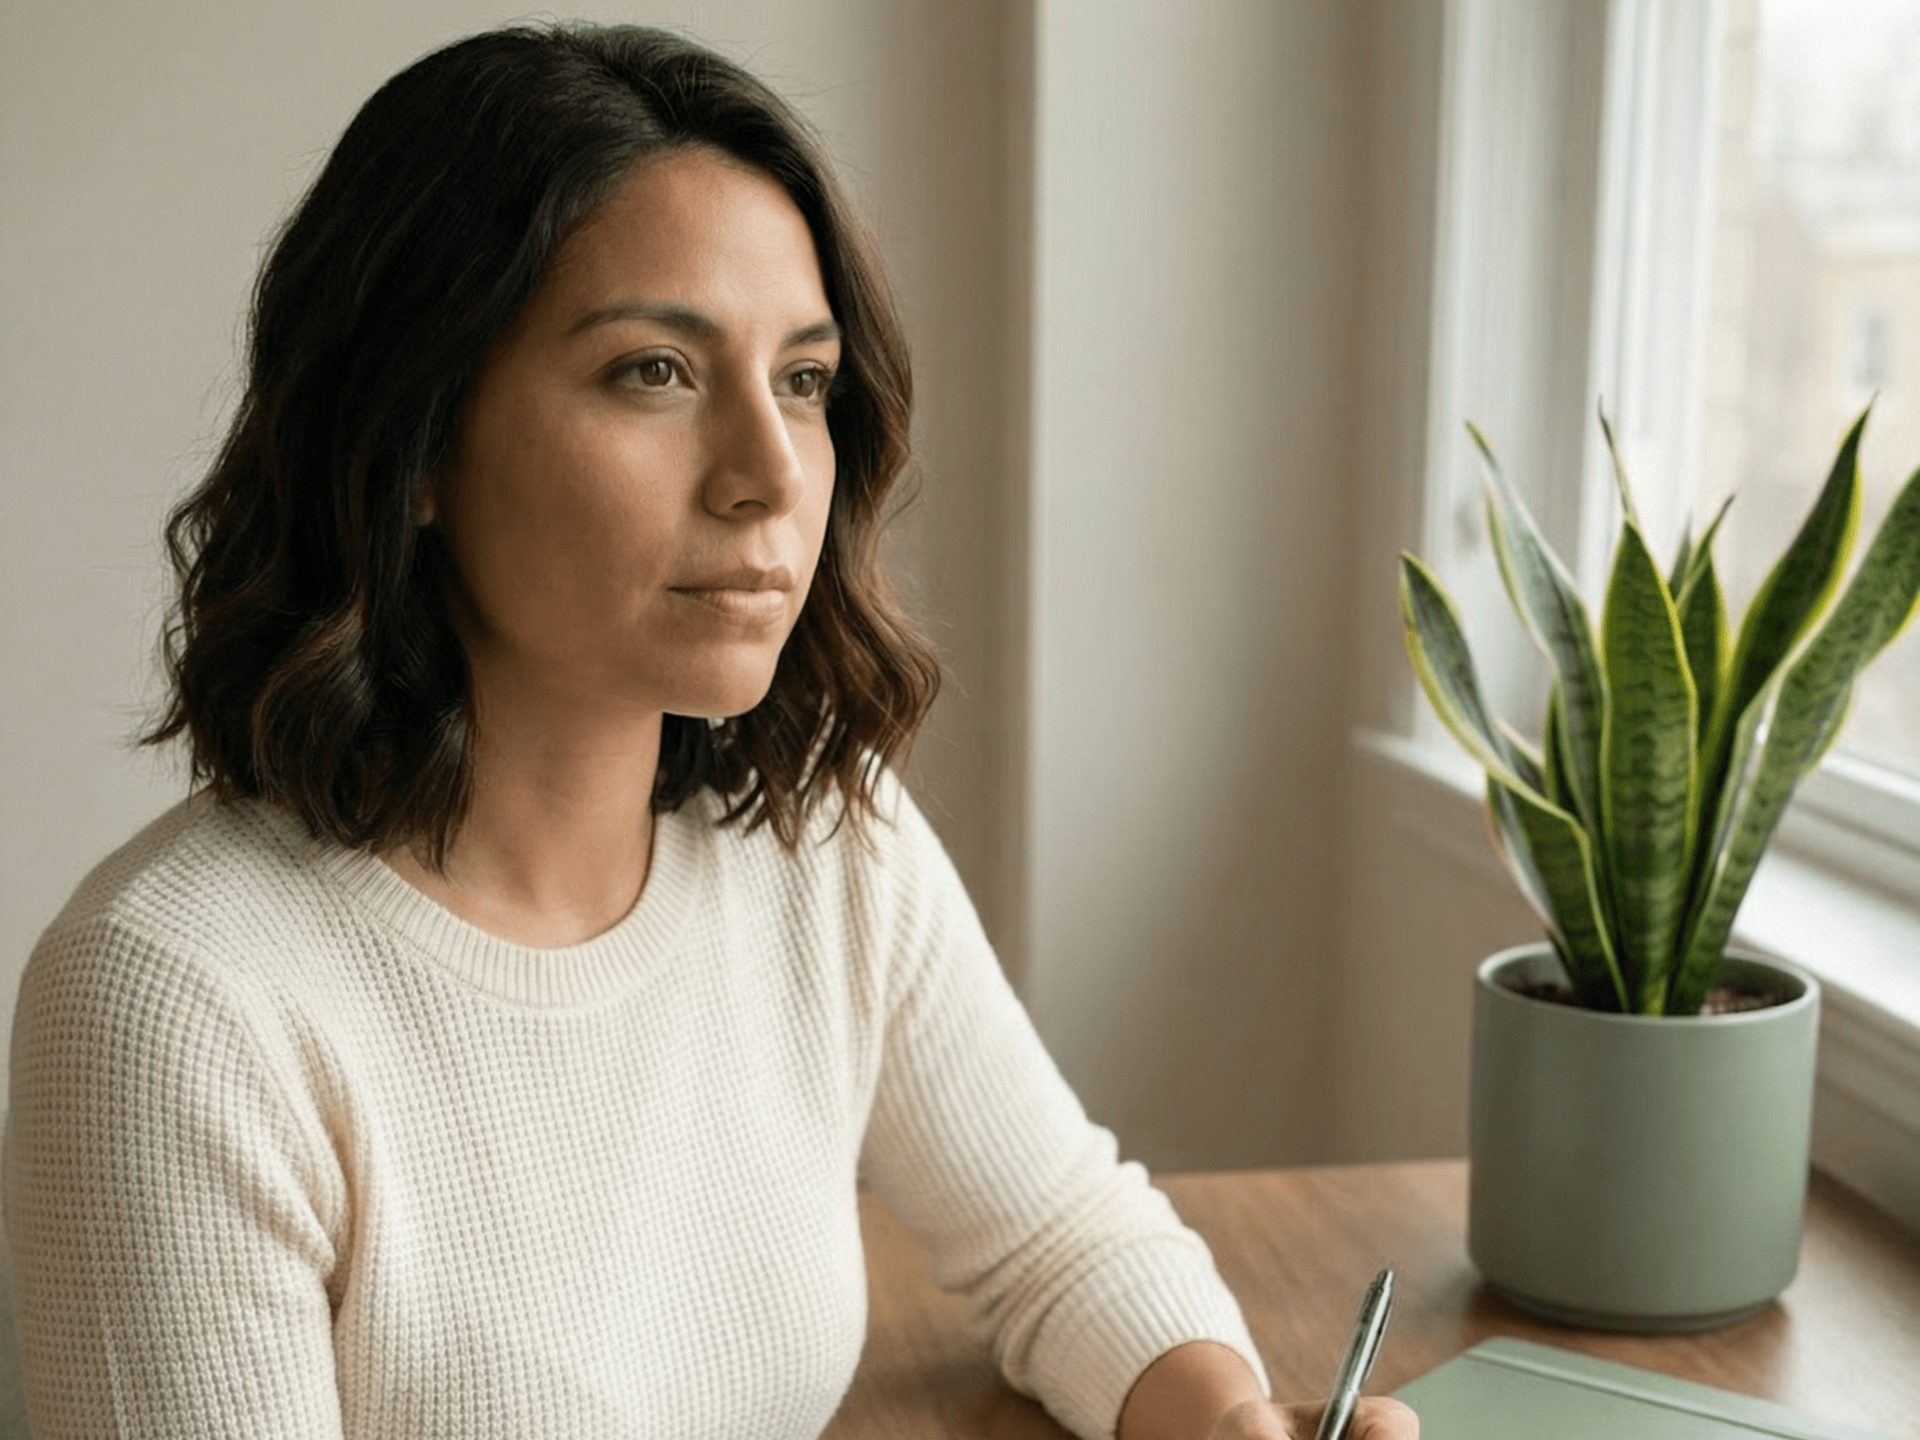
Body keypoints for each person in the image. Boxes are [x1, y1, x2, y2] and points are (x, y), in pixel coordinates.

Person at [2, 24, 1417, 1440]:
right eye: (653, 374)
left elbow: (1061, 1236)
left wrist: (1229, 1417)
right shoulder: (177, 1005)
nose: (770, 474)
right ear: (414, 439)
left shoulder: (817, 839)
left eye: (803, 380)